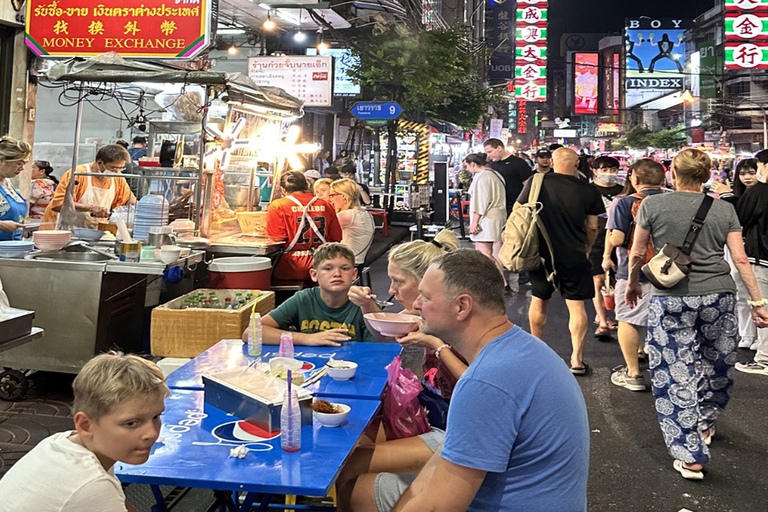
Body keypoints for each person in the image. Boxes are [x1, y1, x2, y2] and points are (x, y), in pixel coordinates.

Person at [368, 249, 589, 512]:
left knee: (359, 488)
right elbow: (445, 458)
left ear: (462, 306)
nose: (416, 305)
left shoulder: (485, 382)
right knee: (364, 490)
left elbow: (439, 507)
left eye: (426, 297)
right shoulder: (524, 348)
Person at [625, 148, 768, 480]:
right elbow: (741, 259)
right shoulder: (724, 209)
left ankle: (690, 455)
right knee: (713, 364)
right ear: (707, 175)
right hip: (719, 297)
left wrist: (633, 284)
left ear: (674, 173)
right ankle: (704, 422)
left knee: (675, 372)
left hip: (671, 298)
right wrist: (758, 303)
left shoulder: (652, 204)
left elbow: (636, 251)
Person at [339, 230, 466, 511]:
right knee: (350, 443)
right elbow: (384, 329)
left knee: (352, 463)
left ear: (425, 283)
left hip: (454, 433)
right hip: (430, 416)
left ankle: (362, 497)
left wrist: (436, 344)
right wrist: (366, 304)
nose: (392, 290)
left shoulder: (454, 323)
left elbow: (476, 382)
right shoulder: (422, 315)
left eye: (398, 281)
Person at [0, 352, 169, 511]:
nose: (151, 433)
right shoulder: (91, 486)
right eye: (131, 423)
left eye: (156, 416)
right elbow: (95, 491)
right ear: (85, 425)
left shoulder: (63, 443)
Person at [516, 147, 604, 375]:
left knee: (539, 299)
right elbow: (593, 226)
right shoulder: (588, 189)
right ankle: (576, 358)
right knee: (576, 306)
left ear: (553, 162)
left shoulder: (536, 182)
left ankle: (536, 349)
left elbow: (517, 211)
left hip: (540, 253)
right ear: (576, 165)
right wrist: (587, 248)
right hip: (574, 254)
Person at [604, 159, 666, 392]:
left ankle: (633, 373)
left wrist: (609, 237)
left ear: (635, 179)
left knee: (628, 320)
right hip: (669, 272)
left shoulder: (624, 202)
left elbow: (618, 239)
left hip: (635, 272)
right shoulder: (672, 201)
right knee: (662, 322)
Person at [258, 243, 377, 345]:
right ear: (314, 274)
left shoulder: (363, 301)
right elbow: (253, 332)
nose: (337, 274)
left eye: (344, 268)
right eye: (328, 268)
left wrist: (367, 306)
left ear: (354, 274)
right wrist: (307, 338)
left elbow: (382, 346)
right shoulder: (303, 299)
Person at [713, 158, 760, 350]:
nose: (747, 177)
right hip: (735, 248)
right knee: (740, 292)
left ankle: (760, 337)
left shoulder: (759, 195)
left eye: (751, 172)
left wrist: (727, 196)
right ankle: (747, 334)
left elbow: (743, 215)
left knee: (759, 293)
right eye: (743, 173)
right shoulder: (733, 196)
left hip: (755, 251)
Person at [266, 171, 342, 285]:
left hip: (290, 266)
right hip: (323, 263)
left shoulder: (278, 205)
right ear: (307, 186)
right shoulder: (325, 204)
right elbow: (337, 237)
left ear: (283, 190)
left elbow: (276, 238)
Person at [42, 144, 136, 229]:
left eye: (121, 168)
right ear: (99, 163)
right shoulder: (78, 174)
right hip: (64, 228)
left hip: (94, 231)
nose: (117, 171)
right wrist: (91, 208)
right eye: (113, 168)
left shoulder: (117, 178)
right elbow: (59, 204)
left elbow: (128, 200)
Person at [734, 152, 768, 374]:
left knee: (763, 307)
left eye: (758, 166)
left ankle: (764, 359)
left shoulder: (759, 192)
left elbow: (739, 219)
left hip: (762, 257)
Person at [589, 156, 625, 338]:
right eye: (604, 170)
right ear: (595, 171)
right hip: (596, 238)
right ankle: (603, 322)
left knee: (619, 282)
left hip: (621, 238)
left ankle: (619, 316)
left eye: (612, 169)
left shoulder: (624, 189)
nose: (609, 174)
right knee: (597, 281)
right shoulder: (588, 190)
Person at [465, 153, 507, 278]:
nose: (467, 169)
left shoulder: (483, 177)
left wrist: (474, 222)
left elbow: (481, 201)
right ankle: (496, 281)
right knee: (485, 252)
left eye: (467, 166)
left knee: (485, 253)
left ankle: (500, 282)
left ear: (473, 164)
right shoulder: (495, 174)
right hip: (496, 217)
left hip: (487, 219)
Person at [330, 178, 375, 265]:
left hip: (345, 263)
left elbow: (322, 232)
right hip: (359, 262)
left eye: (332, 195)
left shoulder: (346, 215)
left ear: (343, 196)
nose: (331, 199)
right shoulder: (366, 214)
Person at [482, 138, 533, 216]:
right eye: (487, 153)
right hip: (495, 208)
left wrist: (521, 203)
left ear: (499, 148)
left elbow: (528, 186)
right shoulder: (490, 165)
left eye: (490, 152)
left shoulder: (519, 163)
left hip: (514, 208)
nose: (488, 155)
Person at [0, 135, 32, 241]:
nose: (22, 168)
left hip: (9, 250)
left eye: (24, 164)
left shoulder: (8, 184)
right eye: (19, 163)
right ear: (1, 161)